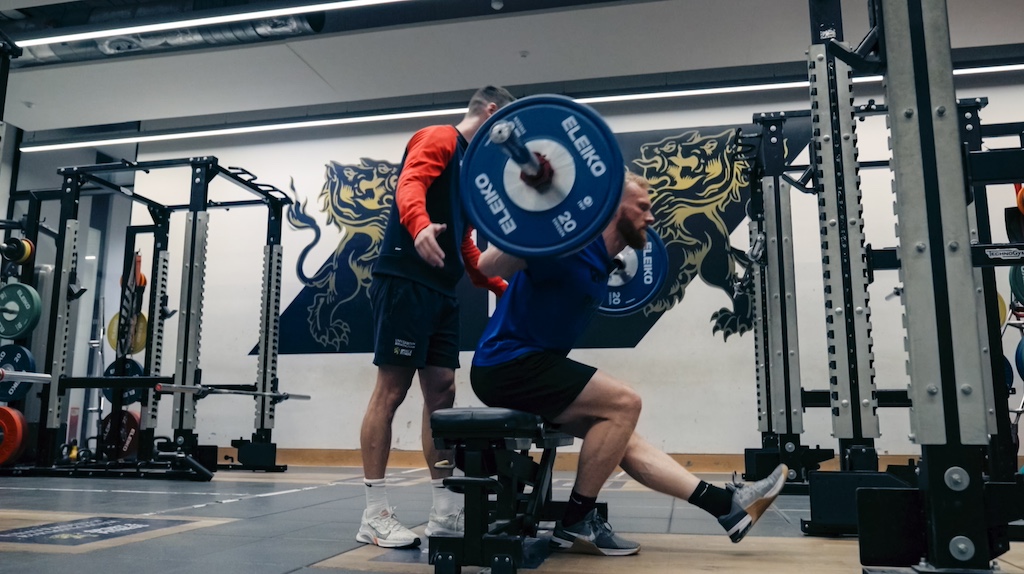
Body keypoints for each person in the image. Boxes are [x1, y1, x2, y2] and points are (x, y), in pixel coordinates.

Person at [470, 170, 788, 556]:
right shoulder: (564, 244)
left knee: (620, 433)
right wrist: (540, 214)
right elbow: (488, 266)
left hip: (531, 366)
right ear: (611, 208)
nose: (650, 217)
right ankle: (575, 521)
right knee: (625, 402)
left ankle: (726, 508)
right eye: (642, 207)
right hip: (505, 365)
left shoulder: (604, 259)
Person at [356, 86, 517, 549]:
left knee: (442, 394)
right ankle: (374, 512)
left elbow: (466, 242)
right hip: (404, 278)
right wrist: (420, 223)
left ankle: (445, 510)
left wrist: (500, 288)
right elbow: (410, 183)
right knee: (392, 389)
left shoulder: (473, 171)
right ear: (491, 112)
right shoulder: (441, 136)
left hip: (444, 291)